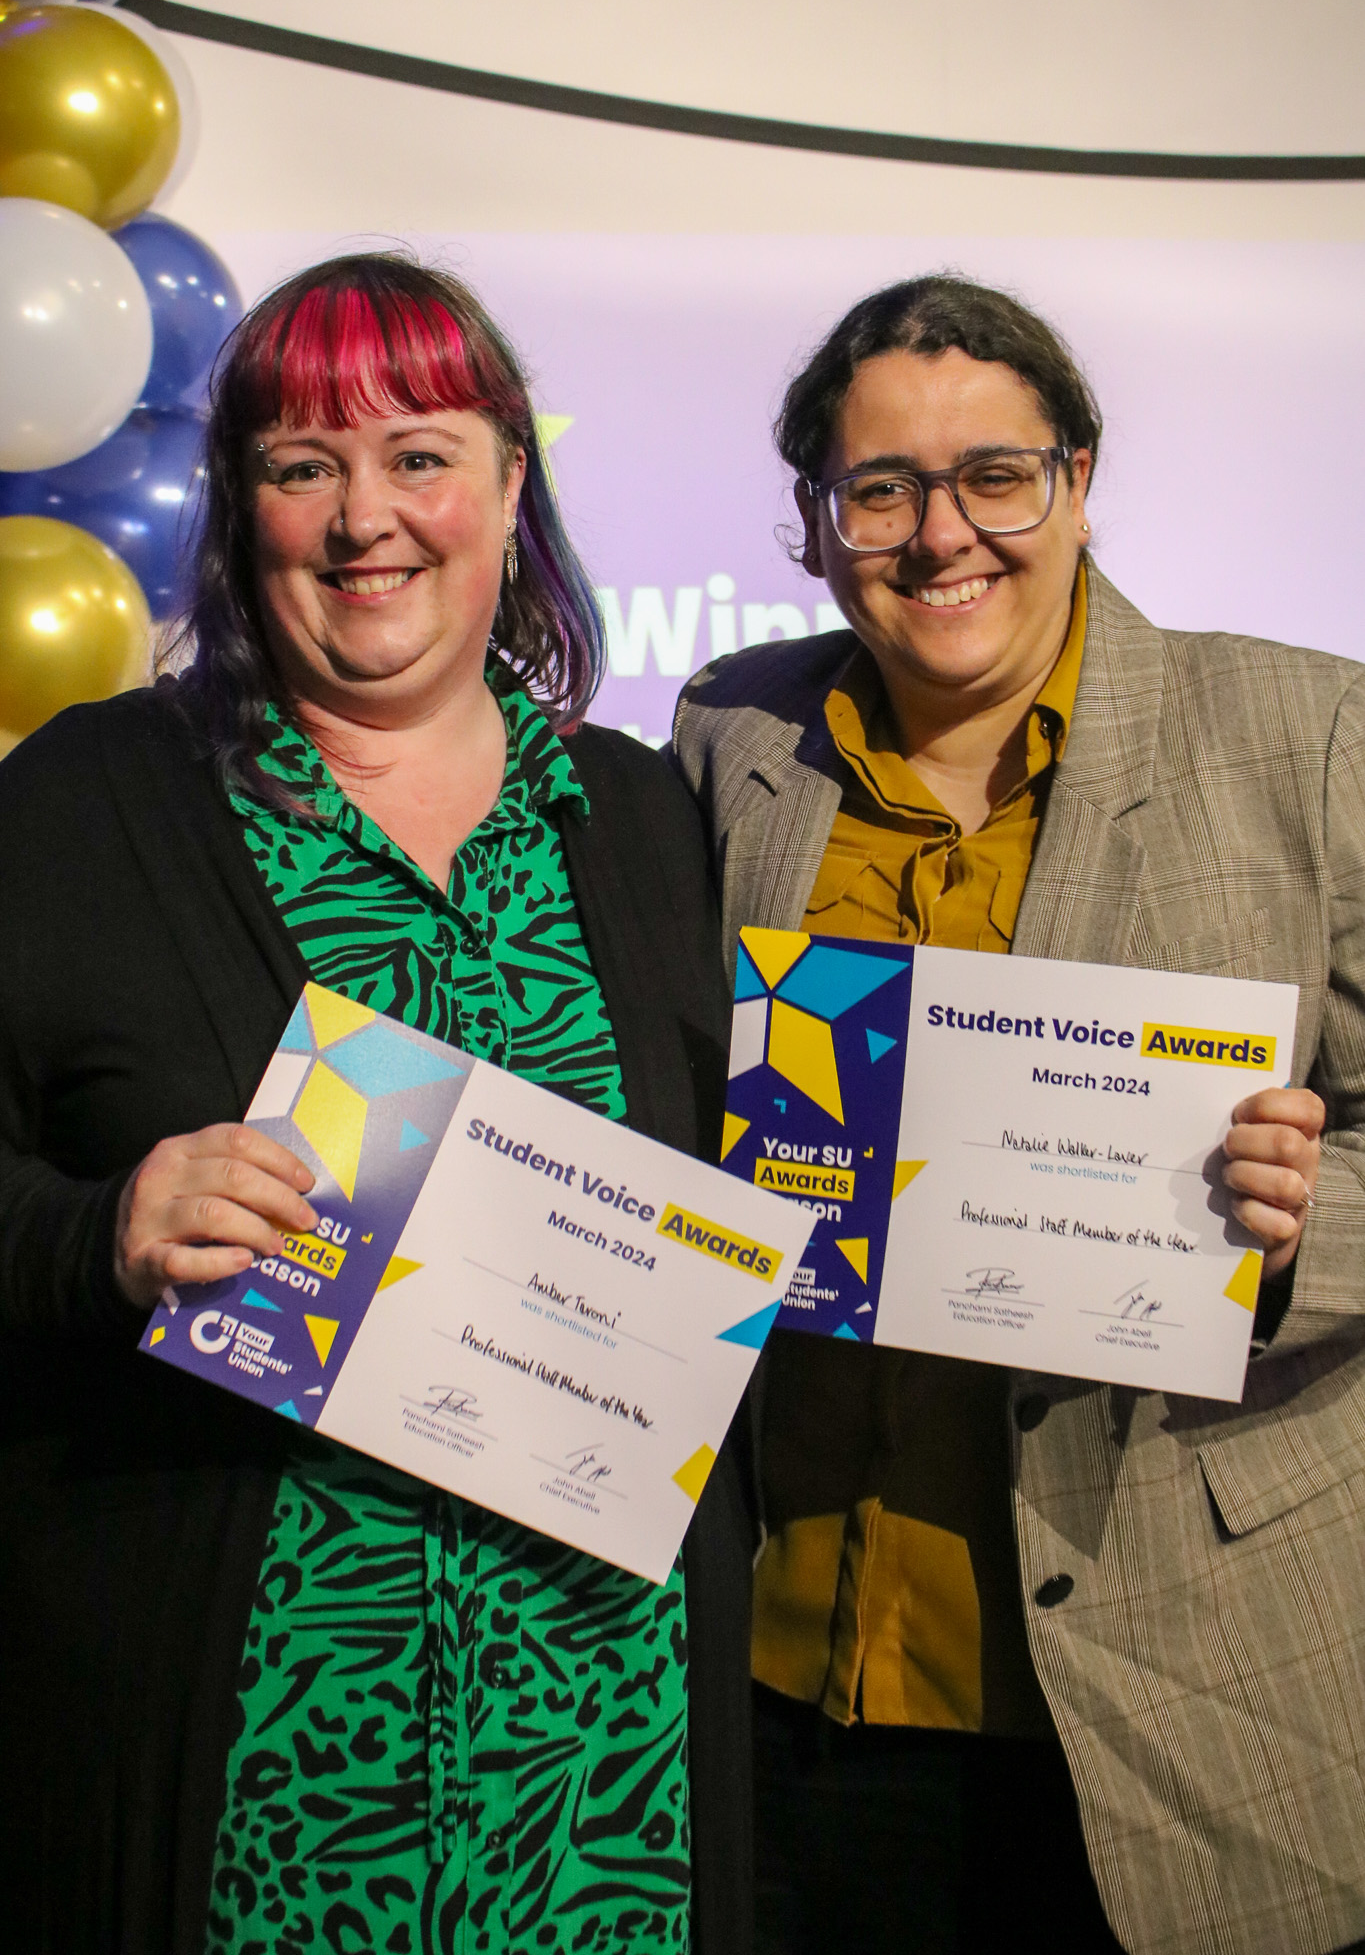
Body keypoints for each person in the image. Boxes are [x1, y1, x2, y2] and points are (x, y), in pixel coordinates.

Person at [0, 252, 752, 1955]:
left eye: (419, 454)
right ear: (238, 508)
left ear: (507, 487)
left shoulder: (640, 824)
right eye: (300, 466)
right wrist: (96, 1234)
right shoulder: (83, 808)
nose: (365, 520)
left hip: (601, 1779)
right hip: (249, 1777)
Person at [672, 274, 1365, 1955]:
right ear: (817, 520)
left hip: (1184, 1685)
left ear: (1073, 478)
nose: (941, 537)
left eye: (996, 476)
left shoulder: (1309, 730)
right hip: (784, 1681)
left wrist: (1302, 1232)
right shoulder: (724, 740)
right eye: (880, 490)